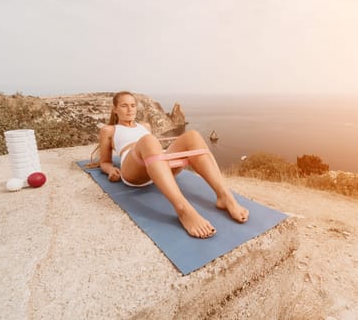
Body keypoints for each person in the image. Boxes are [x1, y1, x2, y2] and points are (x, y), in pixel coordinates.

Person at [92, 91, 249, 238]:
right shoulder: (109, 130)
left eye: (133, 105)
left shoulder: (145, 126)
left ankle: (224, 196)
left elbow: (153, 151)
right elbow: (105, 162)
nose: (129, 109)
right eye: (124, 105)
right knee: (149, 140)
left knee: (193, 136)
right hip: (133, 170)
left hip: (157, 167)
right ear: (115, 109)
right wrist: (110, 169)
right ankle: (183, 210)